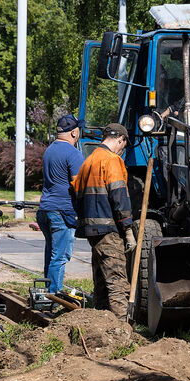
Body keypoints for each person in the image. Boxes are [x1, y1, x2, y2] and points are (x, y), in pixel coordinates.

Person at [71, 123, 136, 319]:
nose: (122, 150)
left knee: (101, 283)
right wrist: (128, 229)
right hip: (108, 229)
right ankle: (122, 327)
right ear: (121, 140)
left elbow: (75, 193)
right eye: (124, 145)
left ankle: (100, 323)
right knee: (117, 283)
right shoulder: (112, 160)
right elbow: (119, 196)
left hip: (91, 229)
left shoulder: (88, 161)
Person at [37, 114, 85, 293]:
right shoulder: (73, 153)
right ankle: (54, 296)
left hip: (45, 209)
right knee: (59, 257)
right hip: (62, 211)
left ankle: (47, 292)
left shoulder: (49, 150)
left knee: (51, 253)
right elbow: (78, 185)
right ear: (74, 132)